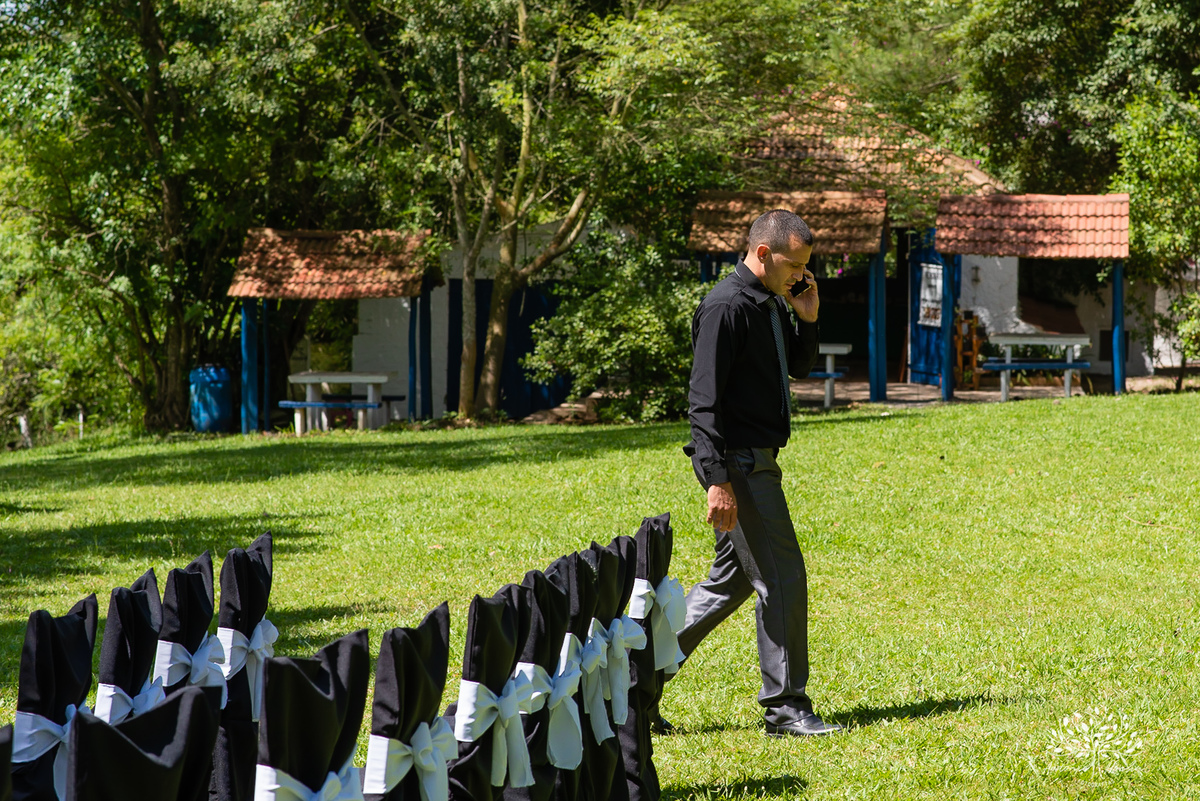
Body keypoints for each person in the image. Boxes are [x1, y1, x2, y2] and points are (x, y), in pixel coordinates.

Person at [675, 208, 842, 737]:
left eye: (806, 267)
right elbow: (703, 403)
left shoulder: (772, 299)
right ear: (763, 253)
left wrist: (808, 316)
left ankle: (633, 681)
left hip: (758, 458)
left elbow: (797, 366)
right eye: (794, 265)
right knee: (783, 577)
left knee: (730, 583)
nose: (800, 275)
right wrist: (717, 480)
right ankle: (787, 707)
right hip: (740, 464)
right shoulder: (724, 306)